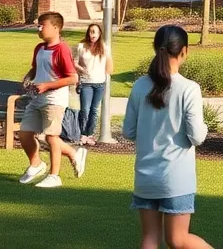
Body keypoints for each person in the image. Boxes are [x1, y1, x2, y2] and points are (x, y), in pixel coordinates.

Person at [124, 25, 213, 249]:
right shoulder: (188, 88)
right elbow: (197, 136)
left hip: (145, 176)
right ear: (184, 51)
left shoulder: (139, 86)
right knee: (178, 239)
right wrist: (205, 127)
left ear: (155, 48)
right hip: (176, 178)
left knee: (150, 239)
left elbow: (129, 131)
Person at [17, 12, 86, 188]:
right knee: (25, 134)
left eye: (43, 25)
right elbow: (35, 68)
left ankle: (54, 176)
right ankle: (36, 164)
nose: (39, 29)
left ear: (56, 28)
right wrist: (28, 77)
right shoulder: (39, 48)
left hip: (54, 99)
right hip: (37, 98)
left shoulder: (62, 49)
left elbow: (72, 78)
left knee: (51, 137)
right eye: (38, 26)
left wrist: (48, 85)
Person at [75, 22, 114, 145]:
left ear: (99, 34)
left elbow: (109, 67)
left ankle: (90, 134)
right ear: (88, 32)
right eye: (91, 31)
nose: (93, 34)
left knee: (94, 110)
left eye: (96, 32)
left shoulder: (104, 48)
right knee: (85, 110)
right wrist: (82, 71)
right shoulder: (81, 47)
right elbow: (74, 62)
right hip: (86, 83)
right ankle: (83, 134)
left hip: (99, 83)